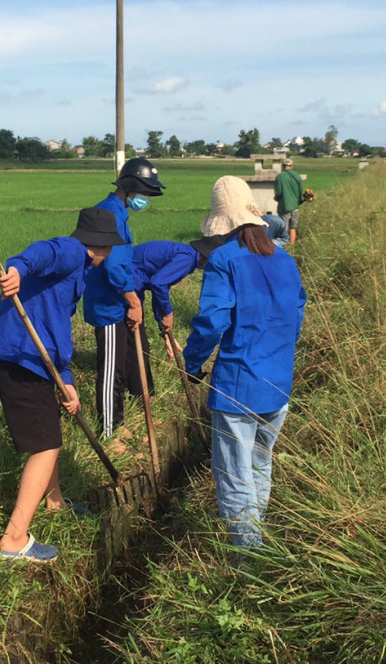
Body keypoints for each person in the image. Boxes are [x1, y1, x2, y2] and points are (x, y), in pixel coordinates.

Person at [0, 207, 126, 562]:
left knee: (51, 431)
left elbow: (55, 327)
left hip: (33, 359)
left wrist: (66, 380)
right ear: (102, 246)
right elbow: (42, 252)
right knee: (46, 446)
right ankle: (13, 540)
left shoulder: (78, 272)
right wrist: (15, 269)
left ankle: (55, 501)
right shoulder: (73, 251)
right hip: (18, 357)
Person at [184, 176, 307, 551]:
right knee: (259, 465)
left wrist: (192, 361)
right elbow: (297, 313)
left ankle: (247, 561)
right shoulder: (284, 259)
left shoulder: (223, 260)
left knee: (234, 475)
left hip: (238, 385)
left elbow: (213, 320)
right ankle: (259, 543)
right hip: (278, 384)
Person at [83, 157, 165, 443]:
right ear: (130, 188)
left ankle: (119, 420)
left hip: (118, 300)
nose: (146, 199)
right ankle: (108, 432)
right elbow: (114, 265)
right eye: (144, 193)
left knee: (129, 357)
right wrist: (133, 300)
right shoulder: (110, 214)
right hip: (109, 304)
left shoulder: (118, 211)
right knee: (111, 369)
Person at [132, 235, 227, 363]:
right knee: (134, 344)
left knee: (139, 345)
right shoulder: (187, 259)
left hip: (134, 286)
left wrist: (164, 328)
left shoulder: (187, 254)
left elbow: (158, 288)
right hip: (126, 286)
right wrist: (168, 312)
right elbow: (158, 284)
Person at [273, 157, 304, 244]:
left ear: (283, 166)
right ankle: (292, 245)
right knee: (293, 227)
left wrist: (276, 198)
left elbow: (278, 193)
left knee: (283, 228)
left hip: (284, 206)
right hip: (295, 206)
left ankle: (284, 246)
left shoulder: (280, 177)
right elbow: (300, 191)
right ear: (292, 166)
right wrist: (299, 201)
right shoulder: (297, 176)